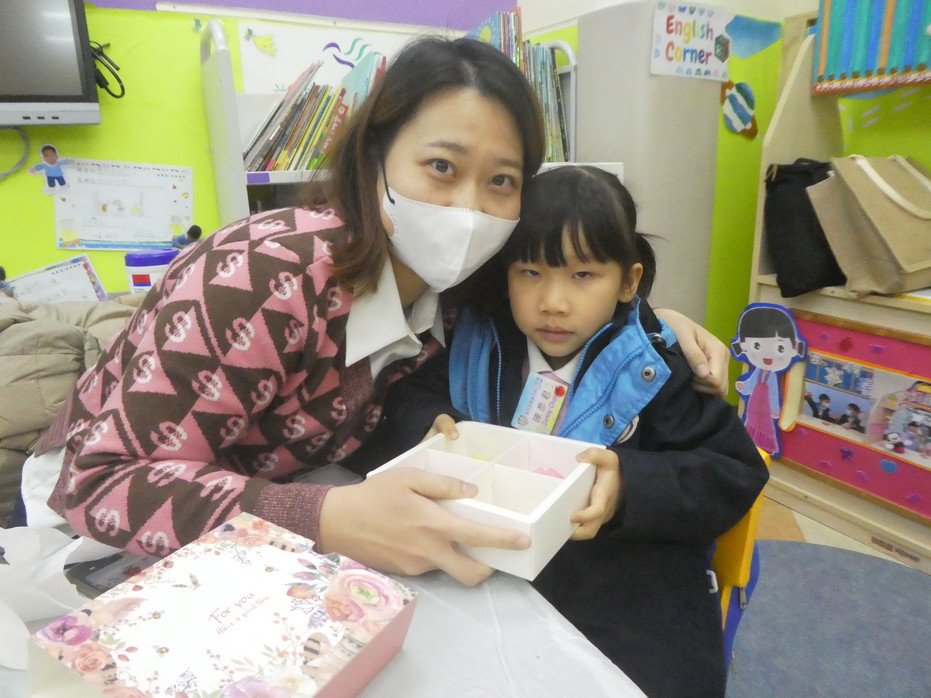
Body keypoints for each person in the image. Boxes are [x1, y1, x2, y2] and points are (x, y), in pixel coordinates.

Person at [31, 37, 730, 591]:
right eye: (441, 167)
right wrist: (324, 517)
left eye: (501, 181)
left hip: (277, 513)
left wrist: (652, 322)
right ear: (374, 161)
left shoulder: (463, 288)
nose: (468, 209)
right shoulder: (263, 275)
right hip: (98, 530)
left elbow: (570, 295)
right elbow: (98, 483)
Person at [375, 166, 768, 697]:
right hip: (495, 561)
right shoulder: (479, 345)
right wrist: (428, 421)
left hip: (621, 581)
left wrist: (628, 485)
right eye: (530, 272)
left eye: (583, 275)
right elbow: (409, 397)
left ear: (627, 281)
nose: (553, 303)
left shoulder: (654, 369)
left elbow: (732, 472)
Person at [732, 305, 806, 455]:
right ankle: (750, 442)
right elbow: (751, 382)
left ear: (792, 349)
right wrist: (744, 386)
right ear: (744, 346)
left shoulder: (772, 376)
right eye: (757, 346)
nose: (767, 356)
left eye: (780, 348)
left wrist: (774, 409)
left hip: (765, 403)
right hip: (755, 400)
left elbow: (773, 393)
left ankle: (764, 446)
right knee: (752, 419)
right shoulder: (757, 371)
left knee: (765, 423)